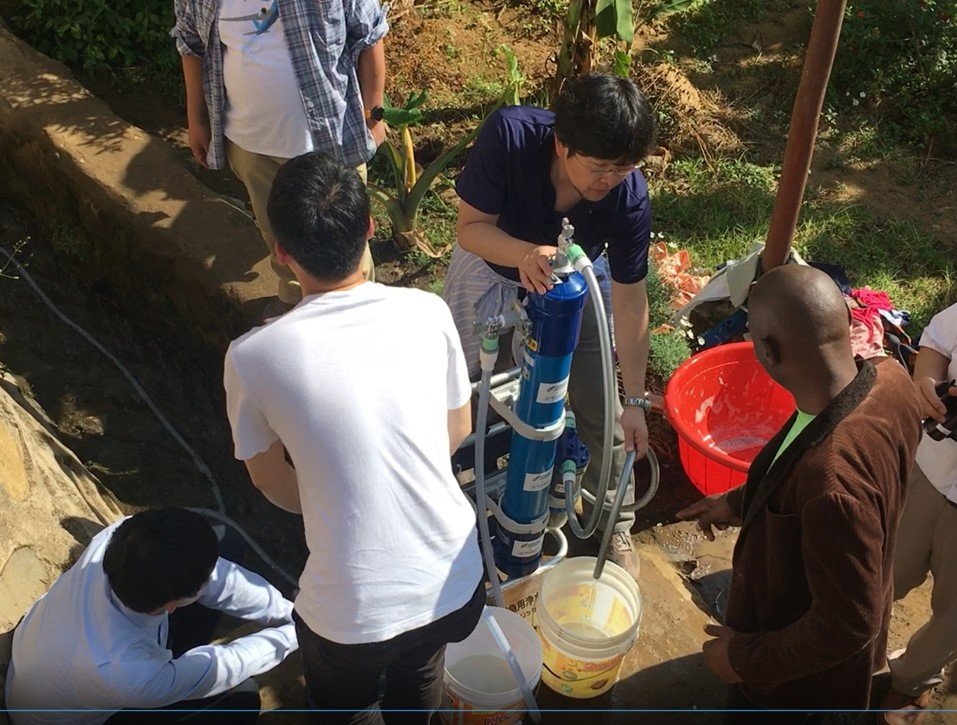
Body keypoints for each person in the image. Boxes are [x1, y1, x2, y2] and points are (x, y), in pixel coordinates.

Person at [223, 150, 485, 724]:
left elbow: (270, 480)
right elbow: (458, 428)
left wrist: (327, 499)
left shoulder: (251, 357)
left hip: (350, 618)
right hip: (456, 582)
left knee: (348, 704)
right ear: (369, 228)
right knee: (419, 671)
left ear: (281, 252)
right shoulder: (427, 310)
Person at [676, 265, 922, 721]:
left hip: (796, 687)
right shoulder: (891, 380)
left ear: (768, 351)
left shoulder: (832, 486)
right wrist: (736, 502)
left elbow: (849, 622)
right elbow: (795, 459)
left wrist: (743, 661)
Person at [441, 72, 657, 577]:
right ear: (562, 144)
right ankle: (459, 506)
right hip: (493, 267)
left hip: (573, 284)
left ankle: (612, 519)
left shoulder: (627, 197)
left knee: (601, 405)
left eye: (624, 169)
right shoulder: (511, 137)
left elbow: (629, 300)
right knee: (471, 394)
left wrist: (637, 401)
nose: (610, 181)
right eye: (600, 168)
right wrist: (524, 256)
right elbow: (471, 230)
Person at [171, 0, 388, 315]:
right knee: (275, 230)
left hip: (329, 141)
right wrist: (197, 120)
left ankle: (357, 314)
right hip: (251, 144)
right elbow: (191, 43)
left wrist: (374, 113)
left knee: (343, 241)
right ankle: (293, 297)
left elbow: (370, 33)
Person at [5, 508, 298, 725]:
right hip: (62, 717)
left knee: (226, 541)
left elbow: (221, 579)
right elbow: (226, 665)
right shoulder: (130, 674)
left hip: (51, 668)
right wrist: (299, 633)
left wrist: (290, 614)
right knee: (241, 699)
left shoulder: (122, 539)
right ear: (171, 604)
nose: (213, 577)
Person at [877, 301, 957, 725]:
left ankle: (914, 678)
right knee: (888, 565)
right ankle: (859, 637)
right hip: (932, 467)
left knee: (953, 613)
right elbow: (940, 342)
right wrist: (928, 380)